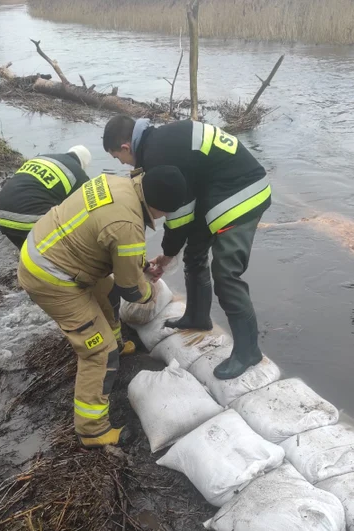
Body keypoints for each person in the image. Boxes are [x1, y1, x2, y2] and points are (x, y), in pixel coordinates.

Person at [17, 166, 187, 448]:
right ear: (160, 207)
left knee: (107, 292)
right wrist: (149, 293)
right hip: (51, 279)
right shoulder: (128, 226)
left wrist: (140, 265)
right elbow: (132, 290)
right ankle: (92, 430)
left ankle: (117, 343)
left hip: (48, 250)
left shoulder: (116, 183)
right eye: (168, 212)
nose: (166, 217)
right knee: (99, 352)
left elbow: (109, 239)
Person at [103, 115, 271, 380]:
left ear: (126, 147)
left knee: (226, 273)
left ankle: (248, 351)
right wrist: (170, 253)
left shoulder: (159, 156)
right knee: (194, 254)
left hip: (241, 194)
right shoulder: (158, 141)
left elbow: (178, 218)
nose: (122, 163)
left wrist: (166, 256)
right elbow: (185, 205)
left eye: (117, 157)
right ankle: (197, 316)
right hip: (215, 190)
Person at [0, 145, 92, 250]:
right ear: (84, 164)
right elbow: (87, 207)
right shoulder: (78, 174)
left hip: (1, 215)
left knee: (27, 251)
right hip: (28, 219)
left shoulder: (43, 158)